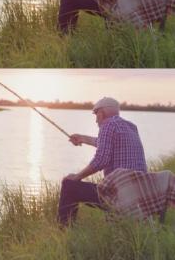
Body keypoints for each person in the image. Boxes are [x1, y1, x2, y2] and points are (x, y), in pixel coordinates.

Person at [57, 97, 147, 227]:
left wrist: (76, 177)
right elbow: (105, 142)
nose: (95, 120)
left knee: (69, 185)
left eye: (95, 114)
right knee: (73, 183)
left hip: (118, 196)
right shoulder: (131, 127)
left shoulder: (107, 125)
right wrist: (82, 138)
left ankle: (63, 231)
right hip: (138, 195)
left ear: (102, 113)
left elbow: (100, 161)